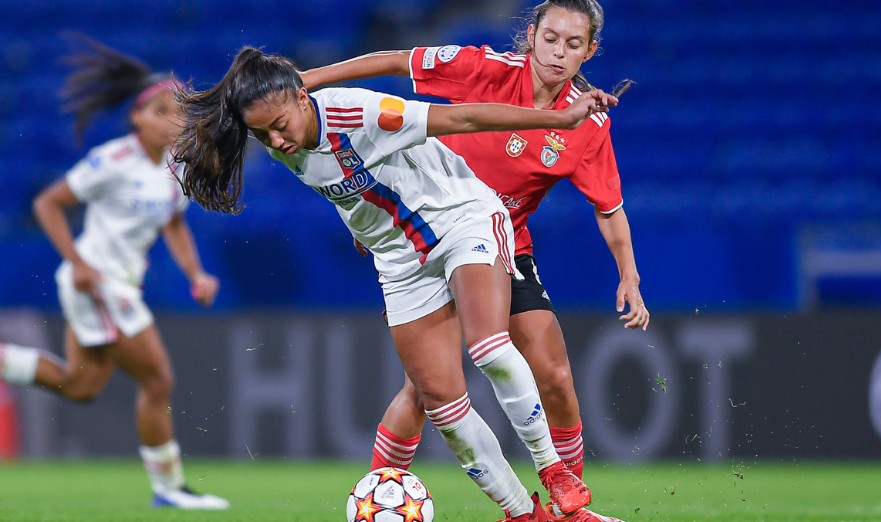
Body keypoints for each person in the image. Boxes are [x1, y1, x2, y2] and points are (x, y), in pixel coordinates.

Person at [172, 46, 619, 522]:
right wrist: (362, 231)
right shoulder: (285, 146)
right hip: (401, 261)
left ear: (303, 98)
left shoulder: (364, 112)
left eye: (280, 124)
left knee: (487, 345)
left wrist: (561, 119)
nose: (277, 140)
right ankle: (523, 515)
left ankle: (553, 470)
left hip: (461, 218)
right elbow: (346, 187)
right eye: (262, 133)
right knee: (444, 406)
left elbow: (464, 119)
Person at [299, 1, 646, 521]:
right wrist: (307, 78)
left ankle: (568, 506)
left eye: (573, 44)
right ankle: (378, 497)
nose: (558, 52)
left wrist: (630, 275)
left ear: (590, 51)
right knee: (427, 390)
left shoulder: (587, 121)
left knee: (552, 372)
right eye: (550, 37)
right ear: (531, 35)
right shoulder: (483, 68)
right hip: (430, 230)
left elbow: (609, 207)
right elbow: (397, 61)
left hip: (504, 242)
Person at [0, 35, 228, 510]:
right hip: (98, 280)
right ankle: (168, 489)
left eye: (180, 110)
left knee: (80, 387)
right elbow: (48, 202)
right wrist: (78, 264)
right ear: (137, 118)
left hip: (116, 284)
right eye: (161, 110)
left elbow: (174, 223)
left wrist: (195, 273)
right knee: (158, 379)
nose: (174, 119)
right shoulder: (113, 160)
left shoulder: (173, 167)